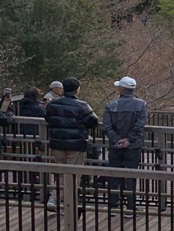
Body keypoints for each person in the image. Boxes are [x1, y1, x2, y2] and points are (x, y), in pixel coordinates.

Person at [43, 77, 98, 211]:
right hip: (76, 144)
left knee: (62, 173)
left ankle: (60, 201)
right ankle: (61, 202)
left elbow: (47, 117)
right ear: (77, 90)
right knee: (73, 174)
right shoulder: (82, 105)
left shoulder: (53, 104)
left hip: (57, 142)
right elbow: (93, 121)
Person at [102, 76, 149, 216]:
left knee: (114, 174)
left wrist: (117, 140)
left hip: (115, 145)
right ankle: (130, 206)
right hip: (134, 145)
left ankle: (113, 206)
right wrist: (129, 139)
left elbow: (106, 126)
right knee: (131, 175)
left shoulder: (111, 105)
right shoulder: (141, 104)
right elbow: (139, 126)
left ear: (122, 88)